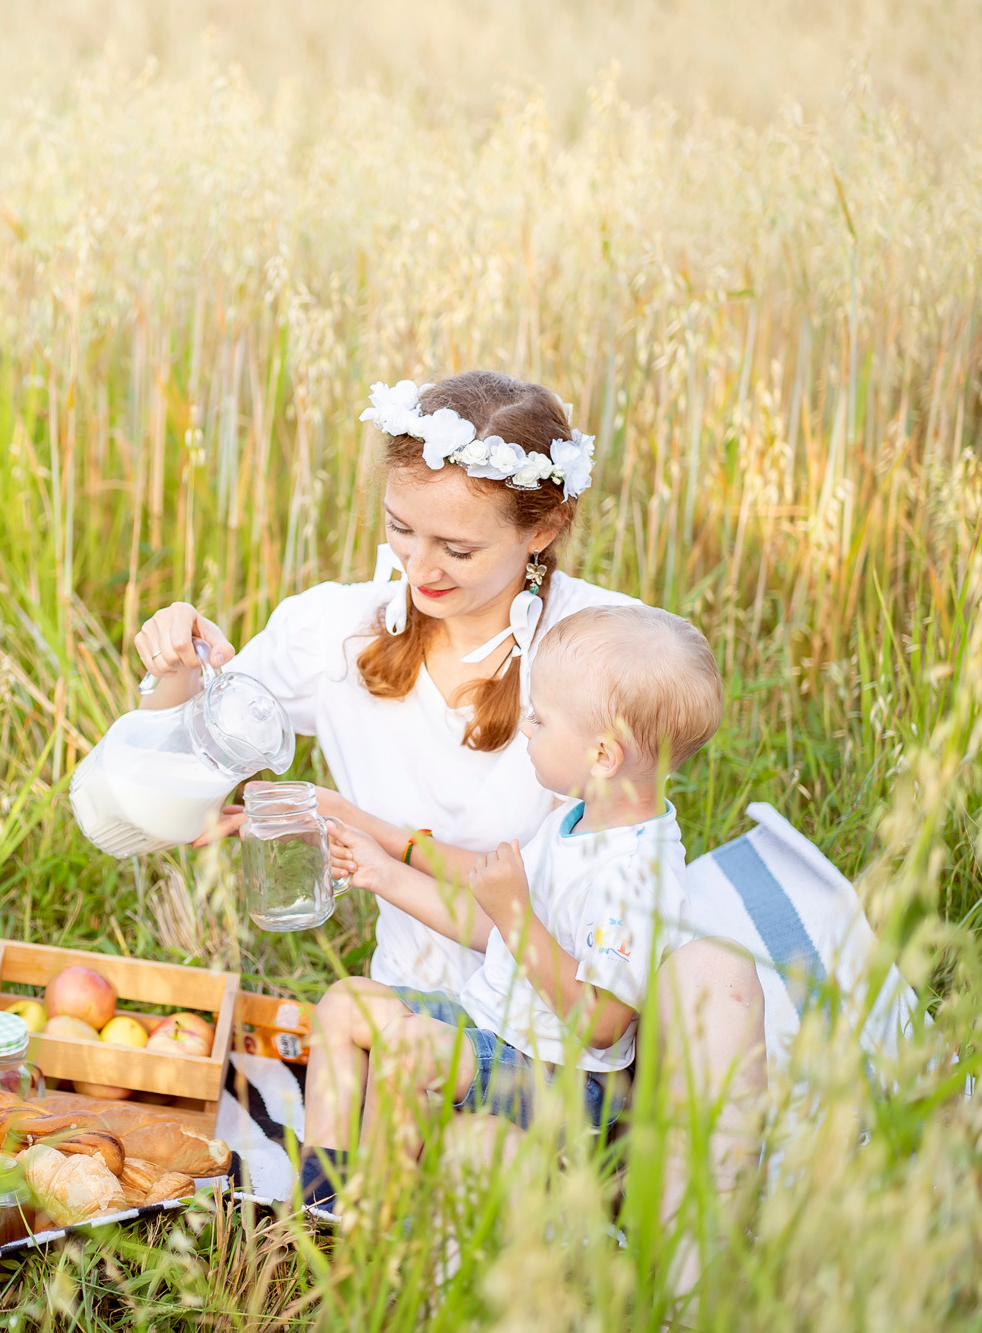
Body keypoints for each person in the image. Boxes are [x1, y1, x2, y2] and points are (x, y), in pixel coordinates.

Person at [129, 371, 764, 1229]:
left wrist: (402, 859)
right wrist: (177, 666)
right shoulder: (339, 630)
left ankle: (655, 1235)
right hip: (441, 1012)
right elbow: (180, 760)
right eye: (399, 529)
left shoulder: (600, 659)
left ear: (541, 528)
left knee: (708, 985)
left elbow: (588, 944)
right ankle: (322, 1225)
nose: (417, 567)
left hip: (543, 1047)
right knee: (378, 1053)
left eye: (456, 550)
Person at [305, 605, 724, 1207]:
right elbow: (492, 928)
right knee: (347, 1005)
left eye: (541, 719)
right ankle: (321, 1198)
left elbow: (604, 1025)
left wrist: (517, 918)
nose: (527, 727)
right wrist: (382, 873)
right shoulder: (576, 821)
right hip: (498, 1033)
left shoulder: (637, 875)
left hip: (565, 1079)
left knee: (406, 1047)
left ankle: (376, 1224)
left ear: (603, 755)